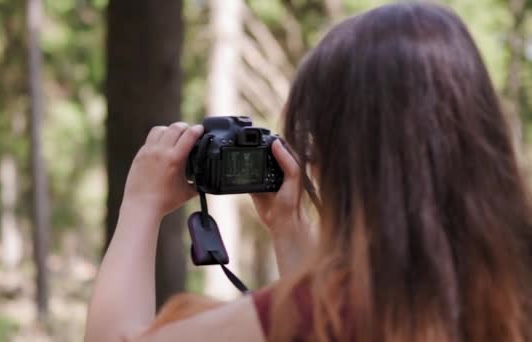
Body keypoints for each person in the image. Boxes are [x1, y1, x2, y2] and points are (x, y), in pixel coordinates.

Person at [85, 2, 532, 341]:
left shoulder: (325, 310)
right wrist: (288, 226)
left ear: (346, 160)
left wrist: (141, 204)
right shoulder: (509, 288)